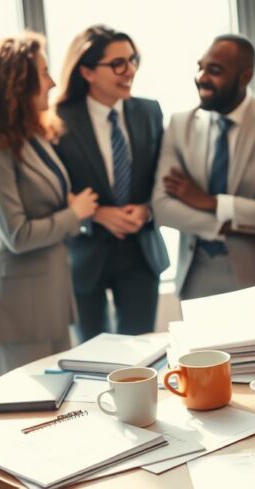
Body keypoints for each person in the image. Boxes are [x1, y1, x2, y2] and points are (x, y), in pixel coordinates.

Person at [0, 33, 98, 375]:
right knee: (31, 419)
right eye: (44, 72)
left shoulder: (32, 136)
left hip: (51, 300)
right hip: (18, 309)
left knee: (63, 410)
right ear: (17, 82)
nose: (52, 82)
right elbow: (17, 235)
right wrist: (74, 213)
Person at [51, 25, 169, 340]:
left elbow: (165, 177)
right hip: (84, 252)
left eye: (133, 60)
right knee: (90, 357)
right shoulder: (58, 118)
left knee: (139, 358)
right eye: (118, 63)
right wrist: (97, 214)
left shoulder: (149, 111)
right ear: (87, 71)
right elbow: (49, 189)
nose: (129, 70)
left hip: (140, 251)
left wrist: (146, 211)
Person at [153, 35, 255, 299]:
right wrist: (220, 224)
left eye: (215, 71)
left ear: (245, 76)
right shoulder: (179, 125)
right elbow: (163, 207)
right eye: (200, 67)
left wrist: (211, 202)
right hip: (196, 280)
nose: (202, 77)